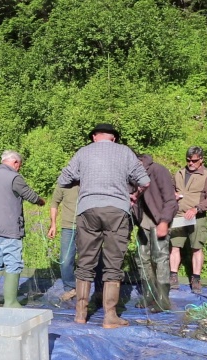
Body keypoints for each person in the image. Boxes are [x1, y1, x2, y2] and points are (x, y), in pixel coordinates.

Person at [57, 123, 150, 328]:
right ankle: (110, 316)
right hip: (117, 210)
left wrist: (85, 182)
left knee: (85, 261)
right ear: (114, 138)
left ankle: (80, 314)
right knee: (113, 263)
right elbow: (145, 181)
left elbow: (63, 179)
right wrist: (133, 196)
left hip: (87, 210)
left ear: (94, 137)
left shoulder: (83, 152)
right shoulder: (125, 152)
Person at [0, 150, 46, 308]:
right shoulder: (14, 178)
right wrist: (40, 201)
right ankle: (10, 302)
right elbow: (29, 194)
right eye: (20, 165)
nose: (20, 168)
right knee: (13, 263)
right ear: (15, 162)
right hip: (8, 228)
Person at [169, 146, 207, 294]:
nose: (190, 163)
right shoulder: (178, 173)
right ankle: (173, 277)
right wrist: (173, 195)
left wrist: (197, 209)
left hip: (197, 216)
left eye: (194, 161)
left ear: (201, 159)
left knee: (196, 247)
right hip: (178, 215)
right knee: (174, 246)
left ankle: (196, 278)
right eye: (188, 160)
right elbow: (170, 189)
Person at [132, 154, 178, 312]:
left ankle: (163, 299)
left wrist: (164, 222)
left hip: (159, 220)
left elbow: (171, 200)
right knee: (142, 258)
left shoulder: (158, 170)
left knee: (160, 257)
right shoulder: (132, 173)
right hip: (143, 222)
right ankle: (149, 294)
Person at [48, 184, 105, 303]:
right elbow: (54, 203)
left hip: (89, 226)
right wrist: (53, 224)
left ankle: (100, 290)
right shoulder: (63, 184)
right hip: (68, 228)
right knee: (65, 260)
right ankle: (70, 288)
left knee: (96, 257)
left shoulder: (89, 181)